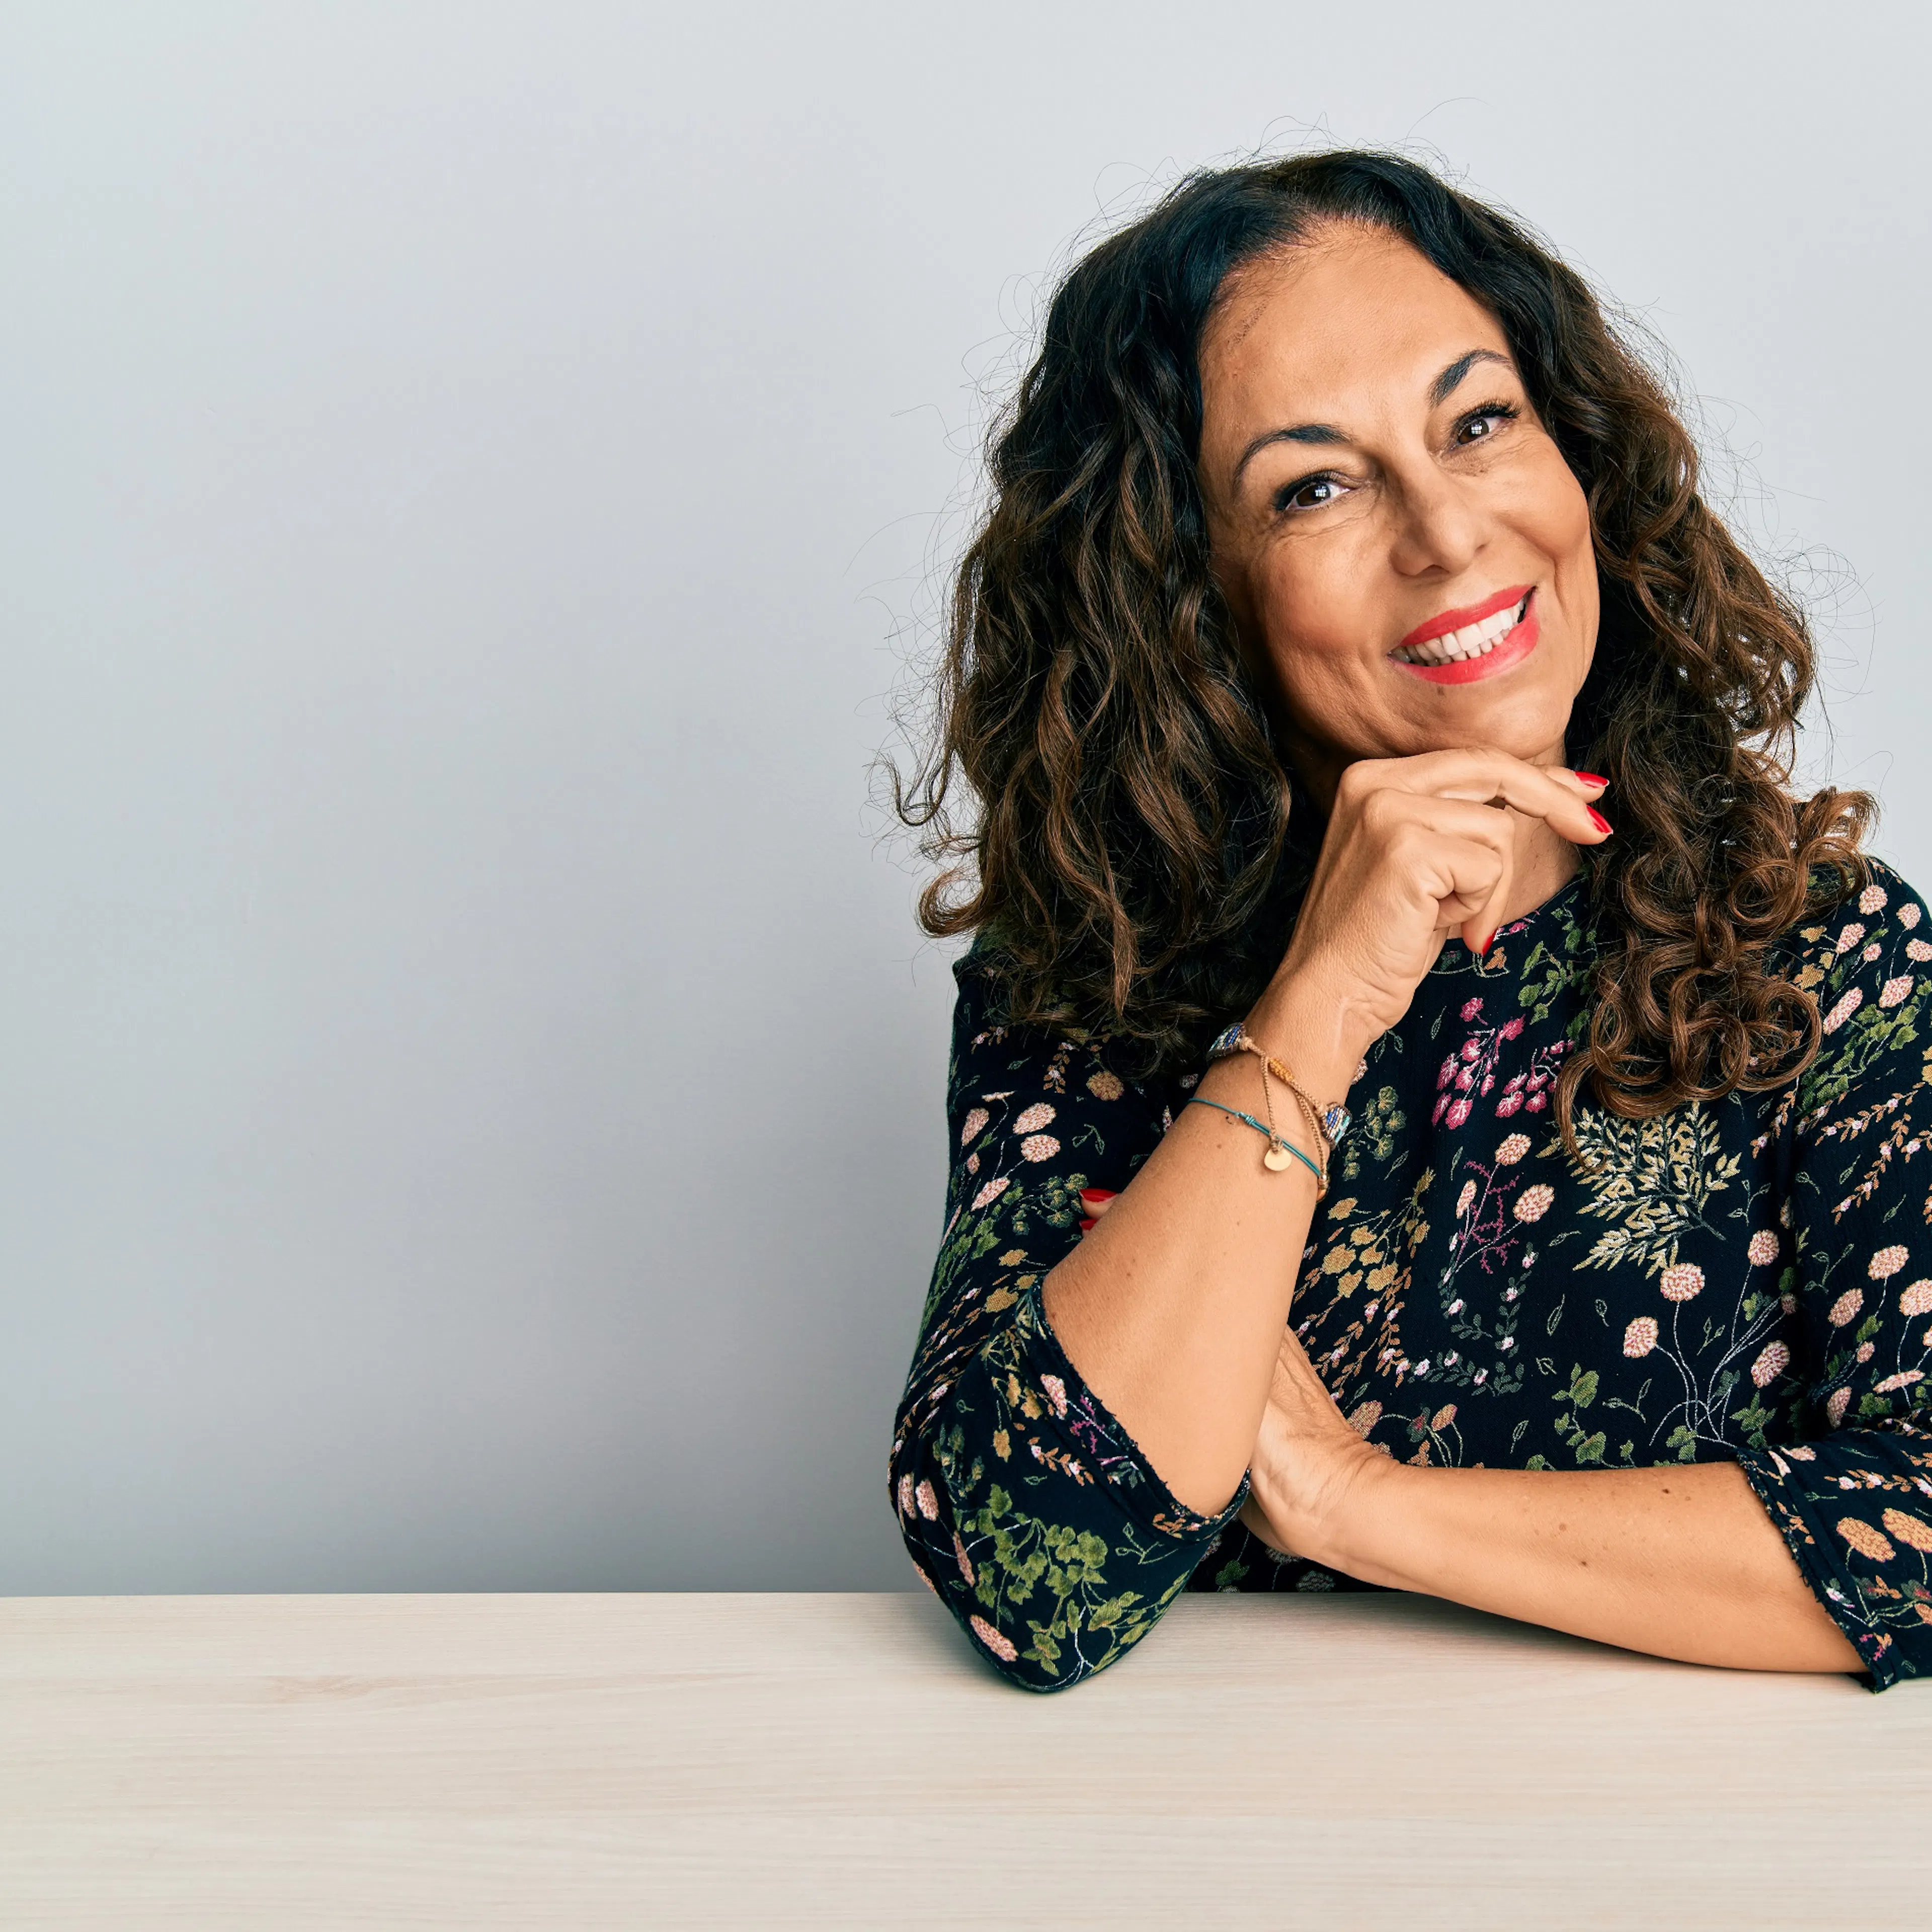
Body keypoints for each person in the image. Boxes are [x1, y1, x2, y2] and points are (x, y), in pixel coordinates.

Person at [887, 149, 1932, 1694]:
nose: (1446, 535)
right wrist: (1307, 1023)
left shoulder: (1819, 948)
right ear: (1194, 594)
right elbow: (1026, 1569)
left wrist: (1357, 1509)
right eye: (1315, 483)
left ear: (1577, 453)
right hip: (1224, 1850)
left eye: (1480, 422)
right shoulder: (1086, 981)